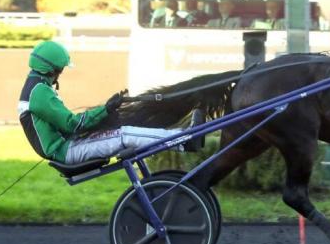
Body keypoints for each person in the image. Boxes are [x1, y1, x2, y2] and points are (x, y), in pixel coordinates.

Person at [18, 41, 199, 165]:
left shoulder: (36, 87)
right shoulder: (39, 92)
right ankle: (184, 140)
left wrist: (106, 112)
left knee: (123, 131)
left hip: (67, 145)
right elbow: (73, 124)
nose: (62, 72)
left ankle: (181, 137)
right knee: (124, 135)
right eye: (61, 69)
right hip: (67, 150)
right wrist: (106, 109)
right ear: (52, 69)